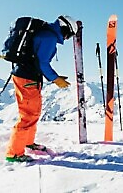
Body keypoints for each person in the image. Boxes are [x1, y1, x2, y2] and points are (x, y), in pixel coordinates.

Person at [5, 15, 78, 162]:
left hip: (26, 76)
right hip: (28, 78)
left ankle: (27, 142)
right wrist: (55, 79)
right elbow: (43, 63)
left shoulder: (45, 33)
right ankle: (14, 153)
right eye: (69, 34)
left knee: (33, 112)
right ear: (64, 28)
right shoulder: (49, 37)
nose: (67, 38)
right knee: (28, 115)